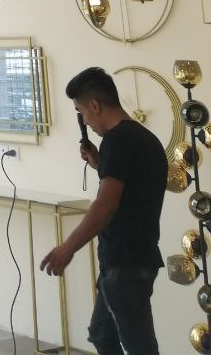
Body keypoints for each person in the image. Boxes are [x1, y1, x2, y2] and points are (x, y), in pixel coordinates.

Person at [39, 66, 167, 355]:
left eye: (81, 112)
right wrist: (100, 165)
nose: (84, 120)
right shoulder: (145, 139)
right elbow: (133, 191)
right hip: (137, 257)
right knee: (102, 335)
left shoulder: (116, 141)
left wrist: (68, 247)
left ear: (94, 105)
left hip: (125, 262)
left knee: (140, 348)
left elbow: (106, 205)